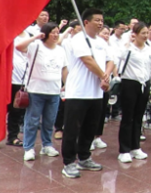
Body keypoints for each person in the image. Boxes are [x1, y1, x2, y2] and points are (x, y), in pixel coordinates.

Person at [61, 9, 113, 179]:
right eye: (97, 20)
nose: (100, 23)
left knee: (90, 128)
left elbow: (110, 60)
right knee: (72, 129)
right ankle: (68, 162)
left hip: (96, 93)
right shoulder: (78, 39)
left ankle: (84, 157)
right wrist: (104, 76)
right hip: (78, 92)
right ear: (86, 22)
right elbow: (87, 61)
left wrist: (106, 77)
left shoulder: (102, 42)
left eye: (102, 20)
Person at [17, 23, 67, 161]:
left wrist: (66, 84)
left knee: (49, 120)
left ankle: (47, 145)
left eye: (57, 32)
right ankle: (28, 147)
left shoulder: (60, 50)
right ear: (45, 34)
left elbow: (64, 69)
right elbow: (19, 47)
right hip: (36, 90)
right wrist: (35, 37)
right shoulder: (36, 46)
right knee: (32, 120)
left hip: (54, 91)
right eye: (53, 32)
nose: (56, 35)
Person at [116, 22, 151, 163]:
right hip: (129, 83)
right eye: (143, 33)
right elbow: (118, 57)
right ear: (135, 34)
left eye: (147, 33)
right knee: (128, 117)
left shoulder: (149, 50)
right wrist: (128, 42)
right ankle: (124, 149)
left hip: (144, 85)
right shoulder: (128, 49)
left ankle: (135, 147)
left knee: (139, 117)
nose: (146, 36)